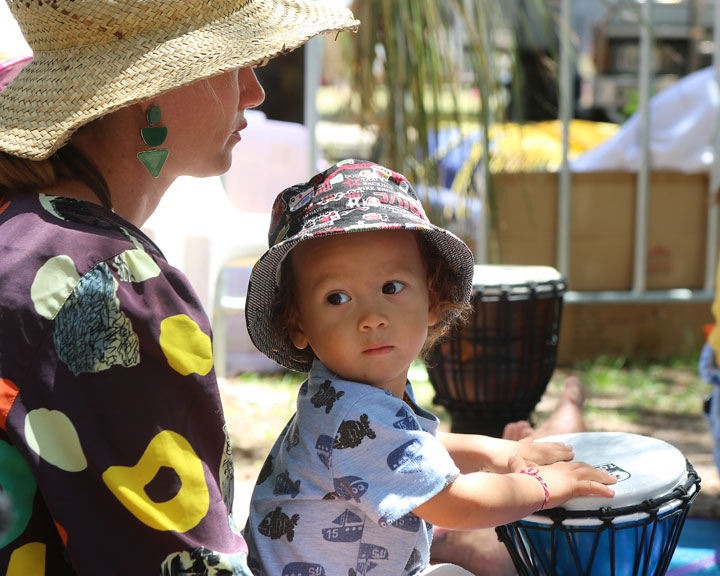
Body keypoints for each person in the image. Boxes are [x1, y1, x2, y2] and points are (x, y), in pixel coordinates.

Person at [0, 1, 358, 574]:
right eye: (233, 63)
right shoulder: (107, 279)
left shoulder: (19, 228)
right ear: (151, 90)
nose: (255, 92)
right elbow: (180, 559)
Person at [242, 159, 617, 576]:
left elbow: (411, 446)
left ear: (433, 302)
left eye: (391, 287)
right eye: (337, 297)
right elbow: (456, 503)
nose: (372, 317)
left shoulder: (342, 394)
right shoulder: (353, 412)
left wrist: (503, 450)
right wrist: (545, 488)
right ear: (298, 324)